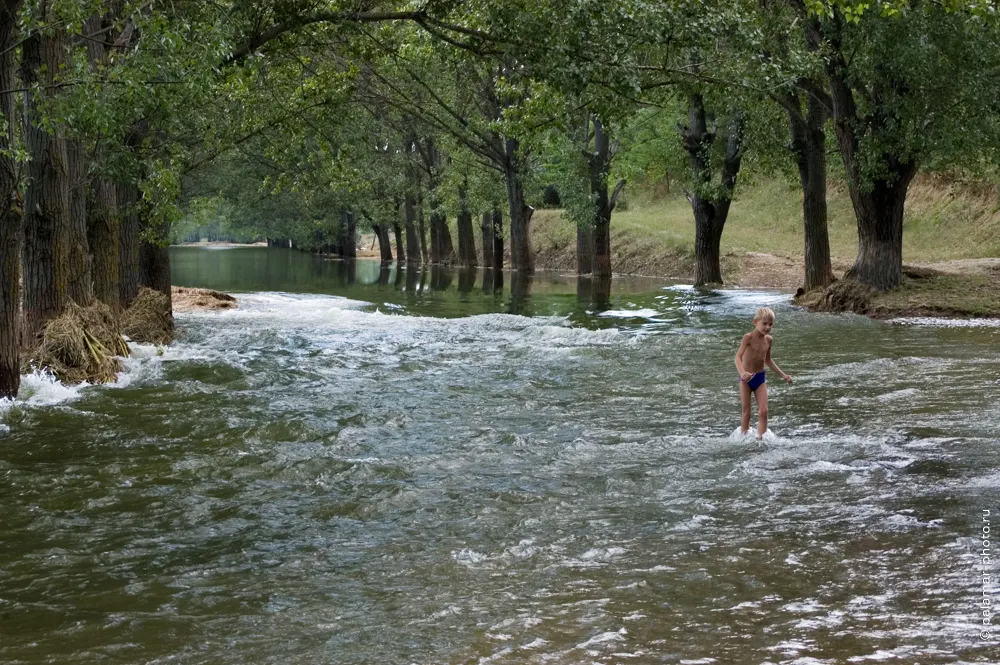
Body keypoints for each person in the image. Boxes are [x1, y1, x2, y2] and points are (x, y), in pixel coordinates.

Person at [734, 307, 792, 439]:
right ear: (755, 322)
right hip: (746, 380)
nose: (767, 327)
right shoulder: (748, 338)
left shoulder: (769, 340)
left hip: (760, 378)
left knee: (764, 411)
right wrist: (742, 373)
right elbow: (737, 357)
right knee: (746, 413)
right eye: (764, 323)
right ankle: (743, 439)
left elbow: (768, 360)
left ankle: (760, 439)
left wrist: (783, 375)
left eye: (770, 324)